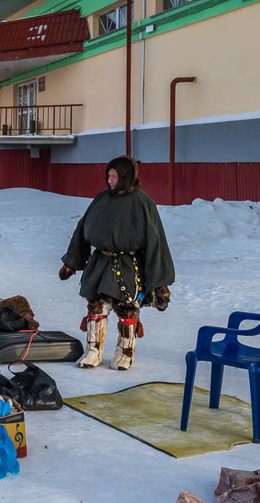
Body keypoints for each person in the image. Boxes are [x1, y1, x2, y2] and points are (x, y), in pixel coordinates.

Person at [59, 155, 175, 370]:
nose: (109, 180)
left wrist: (160, 284)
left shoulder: (142, 202)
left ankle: (125, 353)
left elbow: (155, 240)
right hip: (100, 262)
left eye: (113, 176)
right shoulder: (101, 199)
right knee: (96, 307)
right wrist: (71, 263)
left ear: (125, 177)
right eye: (108, 176)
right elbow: (82, 229)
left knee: (127, 308)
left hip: (127, 264)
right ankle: (93, 352)